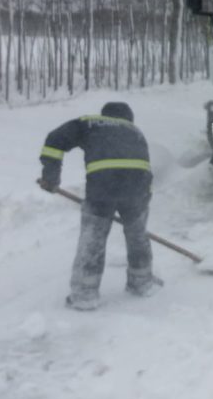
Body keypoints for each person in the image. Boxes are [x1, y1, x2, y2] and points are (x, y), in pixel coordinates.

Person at [38, 101, 158, 311]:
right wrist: (141, 205)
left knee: (93, 237)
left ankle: (85, 295)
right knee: (138, 235)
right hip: (138, 186)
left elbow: (54, 140)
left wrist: (51, 175)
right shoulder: (135, 131)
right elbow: (145, 167)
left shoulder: (91, 123)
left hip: (104, 186)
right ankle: (142, 283)